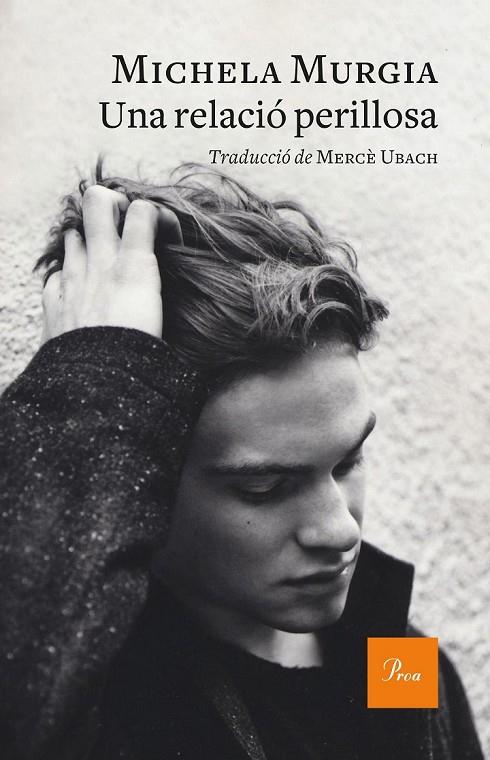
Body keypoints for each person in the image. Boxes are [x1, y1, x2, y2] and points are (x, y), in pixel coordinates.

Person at [0, 164, 483, 760]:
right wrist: (98, 382)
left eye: (348, 460)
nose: (341, 530)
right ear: (141, 474)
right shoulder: (103, 696)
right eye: (266, 487)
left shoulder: (399, 657)